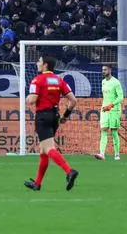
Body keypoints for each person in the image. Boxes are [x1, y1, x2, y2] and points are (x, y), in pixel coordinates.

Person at [24, 55, 79, 192]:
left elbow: (31, 100)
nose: (37, 63)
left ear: (45, 65)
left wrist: (27, 98)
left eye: (40, 61)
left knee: (48, 149)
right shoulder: (59, 80)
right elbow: (73, 101)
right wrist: (65, 116)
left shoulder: (37, 80)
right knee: (43, 150)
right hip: (55, 116)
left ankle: (69, 171)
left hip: (43, 116)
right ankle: (37, 183)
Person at [94, 64, 123, 161]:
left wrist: (111, 105)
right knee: (104, 130)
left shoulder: (116, 82)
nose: (103, 71)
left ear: (110, 70)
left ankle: (117, 154)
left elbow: (120, 97)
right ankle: (102, 154)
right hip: (104, 109)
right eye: (102, 69)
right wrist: (104, 106)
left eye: (105, 69)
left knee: (114, 132)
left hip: (114, 110)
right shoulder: (103, 82)